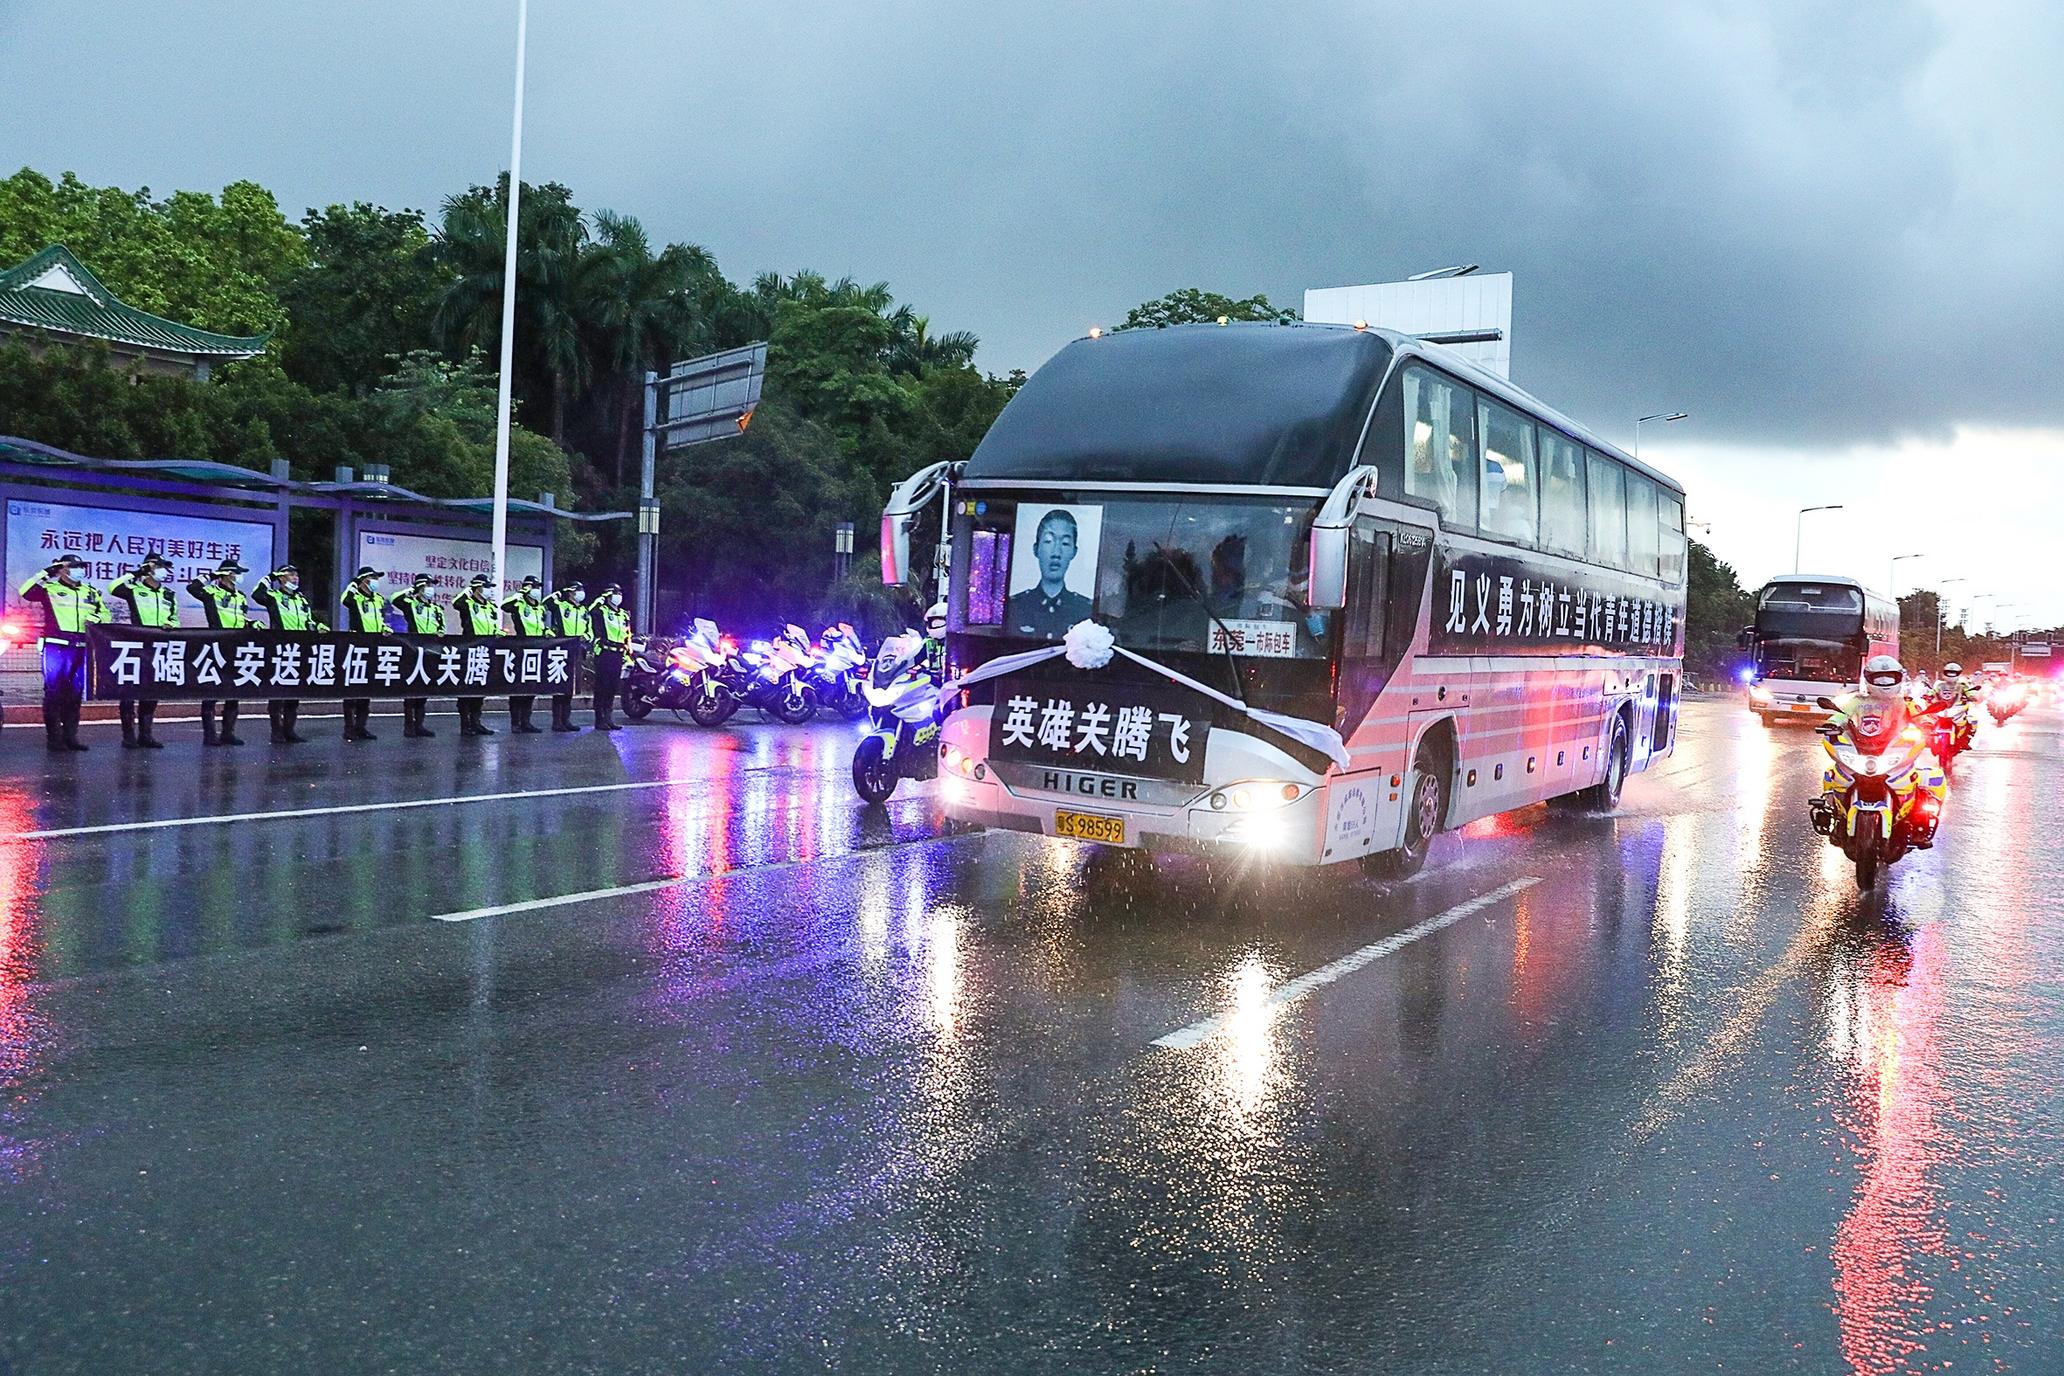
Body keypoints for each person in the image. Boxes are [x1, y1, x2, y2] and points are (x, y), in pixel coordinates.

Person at [18, 553, 107, 752]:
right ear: (61, 569)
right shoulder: (49, 588)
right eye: (74, 566)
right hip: (56, 646)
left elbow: (105, 613)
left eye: (81, 566)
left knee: (75, 693)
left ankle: (71, 737)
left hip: (82, 647)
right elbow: (25, 591)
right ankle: (54, 739)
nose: (79, 570)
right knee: (54, 693)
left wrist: (96, 618)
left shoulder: (90, 591)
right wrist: (45, 573)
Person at [108, 555, 177, 749]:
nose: (164, 570)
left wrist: (171, 624)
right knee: (129, 691)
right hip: (135, 646)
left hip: (158, 647)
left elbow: (175, 618)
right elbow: (112, 587)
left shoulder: (168, 594)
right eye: (160, 566)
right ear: (149, 568)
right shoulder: (133, 590)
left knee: (151, 691)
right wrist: (137, 572)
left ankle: (146, 735)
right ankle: (128, 735)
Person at [251, 563, 323, 744]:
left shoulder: (301, 599)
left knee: (294, 693)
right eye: (290, 575)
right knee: (278, 693)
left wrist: (318, 626)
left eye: (296, 575)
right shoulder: (274, 596)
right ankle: (276, 731)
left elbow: (309, 621)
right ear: (282, 578)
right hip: (280, 649)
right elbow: (256, 593)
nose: (295, 578)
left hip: (300, 650)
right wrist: (272, 577)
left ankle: (289, 730)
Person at [187, 558, 252, 746]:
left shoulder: (240, 596)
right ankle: (209, 734)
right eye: (236, 572)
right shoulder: (211, 592)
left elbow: (240, 617)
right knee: (212, 690)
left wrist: (250, 623)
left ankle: (228, 732)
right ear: (227, 573)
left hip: (236, 645)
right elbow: (192, 588)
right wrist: (214, 575)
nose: (239, 576)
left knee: (234, 690)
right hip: (216, 644)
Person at [1003, 508, 1094, 638]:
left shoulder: (1085, 610)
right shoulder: (1015, 607)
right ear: (1036, 549)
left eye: (1065, 543)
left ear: (1074, 552)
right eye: (1048, 541)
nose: (1056, 553)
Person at [338, 565, 390, 740]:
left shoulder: (378, 599)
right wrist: (354, 583)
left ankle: (361, 726)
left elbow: (380, 619)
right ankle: (349, 727)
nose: (375, 582)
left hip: (374, 646)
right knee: (353, 689)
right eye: (372, 578)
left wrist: (384, 628)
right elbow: (345, 600)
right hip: (357, 646)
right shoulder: (355, 597)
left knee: (367, 689)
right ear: (364, 580)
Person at [391, 574, 445, 739]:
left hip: (430, 652)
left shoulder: (436, 608)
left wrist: (440, 632)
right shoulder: (411, 604)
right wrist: (413, 590)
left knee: (424, 689)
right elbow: (395, 599)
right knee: (411, 689)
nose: (430, 588)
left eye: (431, 585)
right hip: (413, 650)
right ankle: (409, 726)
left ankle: (420, 725)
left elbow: (442, 627)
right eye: (427, 585)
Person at [451, 572, 501, 737]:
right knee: (467, 690)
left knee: (480, 689)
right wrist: (469, 591)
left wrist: (497, 633)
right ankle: (465, 724)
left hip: (485, 651)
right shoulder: (467, 603)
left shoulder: (490, 606)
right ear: (477, 588)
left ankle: (476, 722)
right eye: (485, 587)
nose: (488, 590)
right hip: (470, 649)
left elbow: (492, 624)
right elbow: (455, 603)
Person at [501, 574, 549, 733]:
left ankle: (526, 721)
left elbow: (540, 625)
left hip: (536, 649)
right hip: (521, 648)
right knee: (518, 688)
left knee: (531, 688)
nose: (537, 590)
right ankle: (515, 722)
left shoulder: (539, 606)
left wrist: (546, 632)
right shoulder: (519, 603)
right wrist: (521, 593)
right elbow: (504, 605)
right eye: (534, 587)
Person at [543, 580, 590, 732]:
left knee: (570, 687)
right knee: (560, 687)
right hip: (563, 649)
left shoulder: (584, 610)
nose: (580, 593)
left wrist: (586, 637)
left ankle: (566, 719)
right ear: (571, 592)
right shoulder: (561, 606)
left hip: (577, 649)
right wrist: (560, 593)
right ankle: (557, 721)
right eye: (577, 590)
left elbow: (589, 630)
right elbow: (546, 602)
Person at [590, 582, 631, 731]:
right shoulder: (601, 611)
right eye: (615, 593)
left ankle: (608, 717)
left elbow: (627, 634)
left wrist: (628, 653)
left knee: (613, 687)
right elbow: (591, 611)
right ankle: (599, 719)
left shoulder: (623, 614)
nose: (618, 596)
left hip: (618, 653)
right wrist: (601, 598)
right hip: (605, 653)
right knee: (602, 686)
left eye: (620, 593)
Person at [922, 601, 948, 680]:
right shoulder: (929, 643)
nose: (935, 624)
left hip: (955, 685)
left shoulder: (957, 643)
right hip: (935, 683)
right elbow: (912, 658)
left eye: (938, 622)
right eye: (932, 622)